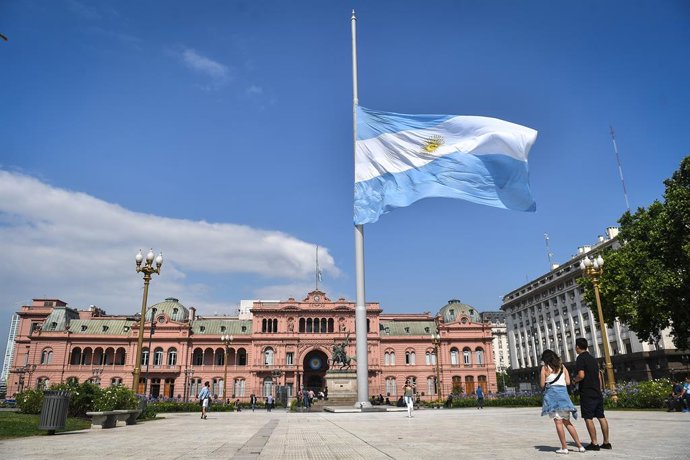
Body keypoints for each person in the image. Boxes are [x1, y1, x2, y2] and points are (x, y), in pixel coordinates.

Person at [540, 349, 585, 454]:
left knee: (558, 422)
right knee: (567, 422)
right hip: (564, 397)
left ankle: (564, 448)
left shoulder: (544, 368)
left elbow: (542, 385)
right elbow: (568, 382)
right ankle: (580, 446)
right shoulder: (563, 367)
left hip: (552, 398)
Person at [573, 338, 611, 450]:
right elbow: (599, 376)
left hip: (587, 392)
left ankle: (594, 443)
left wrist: (575, 380)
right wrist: (599, 389)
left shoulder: (580, 358)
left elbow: (581, 375)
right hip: (597, 391)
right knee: (601, 416)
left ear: (577, 347)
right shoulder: (593, 359)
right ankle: (606, 442)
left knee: (588, 417)